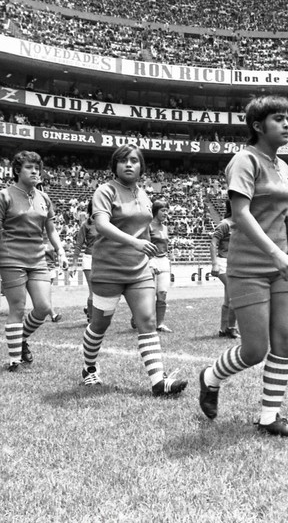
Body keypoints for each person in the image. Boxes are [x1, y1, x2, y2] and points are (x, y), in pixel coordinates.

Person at [198, 95, 288, 437]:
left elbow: (283, 214)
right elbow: (240, 214)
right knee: (255, 349)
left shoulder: (284, 167)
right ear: (258, 126)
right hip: (249, 265)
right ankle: (210, 377)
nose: (287, 123)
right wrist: (276, 253)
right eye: (278, 119)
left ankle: (269, 417)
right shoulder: (244, 160)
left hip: (282, 263)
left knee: (285, 341)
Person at [78, 144, 187, 396]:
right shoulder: (105, 191)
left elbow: (145, 229)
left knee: (147, 321)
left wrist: (146, 254)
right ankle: (88, 368)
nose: (129, 164)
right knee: (99, 324)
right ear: (115, 165)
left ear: (141, 167)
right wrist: (135, 242)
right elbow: (102, 225)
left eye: (134, 161)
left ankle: (159, 382)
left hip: (138, 270)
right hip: (108, 269)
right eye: (123, 160)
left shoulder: (144, 195)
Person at [0, 151, 67, 372]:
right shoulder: (4, 196)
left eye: (37, 168)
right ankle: (14, 361)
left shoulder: (44, 198)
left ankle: (19, 339)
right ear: (17, 171)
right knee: (17, 308)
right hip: (12, 258)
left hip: (38, 259)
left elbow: (51, 229)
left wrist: (60, 251)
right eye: (29, 168)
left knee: (43, 308)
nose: (34, 171)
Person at [209, 199, 239, 339]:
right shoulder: (225, 224)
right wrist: (214, 263)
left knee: (228, 298)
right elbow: (214, 242)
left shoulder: (241, 224)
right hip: (223, 262)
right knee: (235, 295)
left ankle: (223, 329)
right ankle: (231, 328)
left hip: (234, 263)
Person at [149, 199, 173, 333]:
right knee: (149, 294)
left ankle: (160, 324)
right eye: (163, 210)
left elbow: (165, 246)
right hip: (151, 260)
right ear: (155, 211)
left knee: (162, 292)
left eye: (167, 211)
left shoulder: (165, 227)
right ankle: (138, 318)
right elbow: (145, 244)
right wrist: (151, 262)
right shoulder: (149, 226)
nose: (165, 213)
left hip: (163, 260)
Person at [72, 201, 98, 323]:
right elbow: (78, 245)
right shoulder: (86, 225)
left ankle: (89, 309)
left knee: (104, 291)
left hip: (103, 260)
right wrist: (74, 264)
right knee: (93, 291)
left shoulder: (108, 224)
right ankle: (92, 321)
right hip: (89, 259)